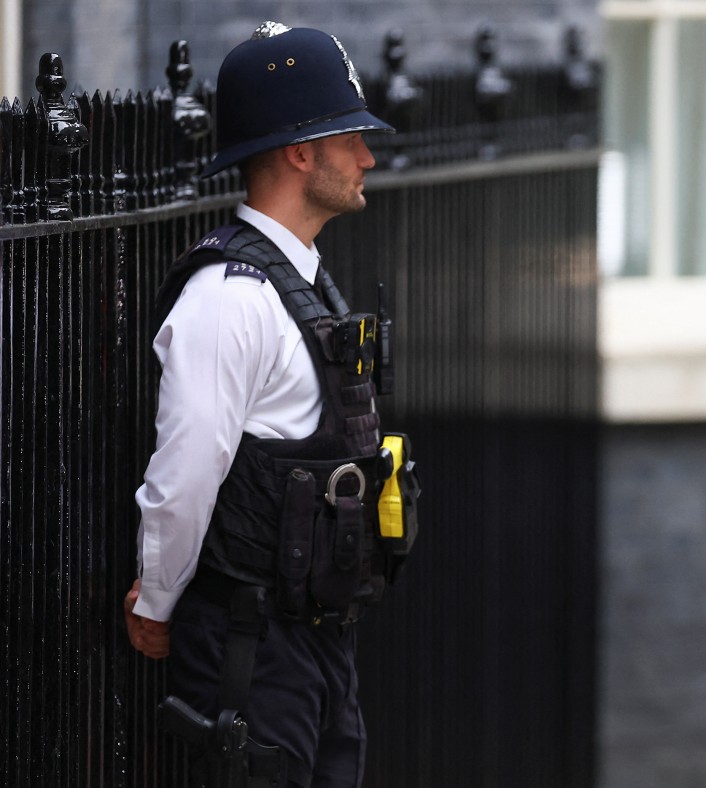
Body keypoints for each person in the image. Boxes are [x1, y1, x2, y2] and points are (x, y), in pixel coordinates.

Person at [123, 22, 417, 788]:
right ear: (300, 152)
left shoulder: (304, 280)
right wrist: (158, 600)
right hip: (252, 644)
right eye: (351, 138)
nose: (368, 157)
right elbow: (188, 468)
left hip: (317, 640)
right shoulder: (230, 297)